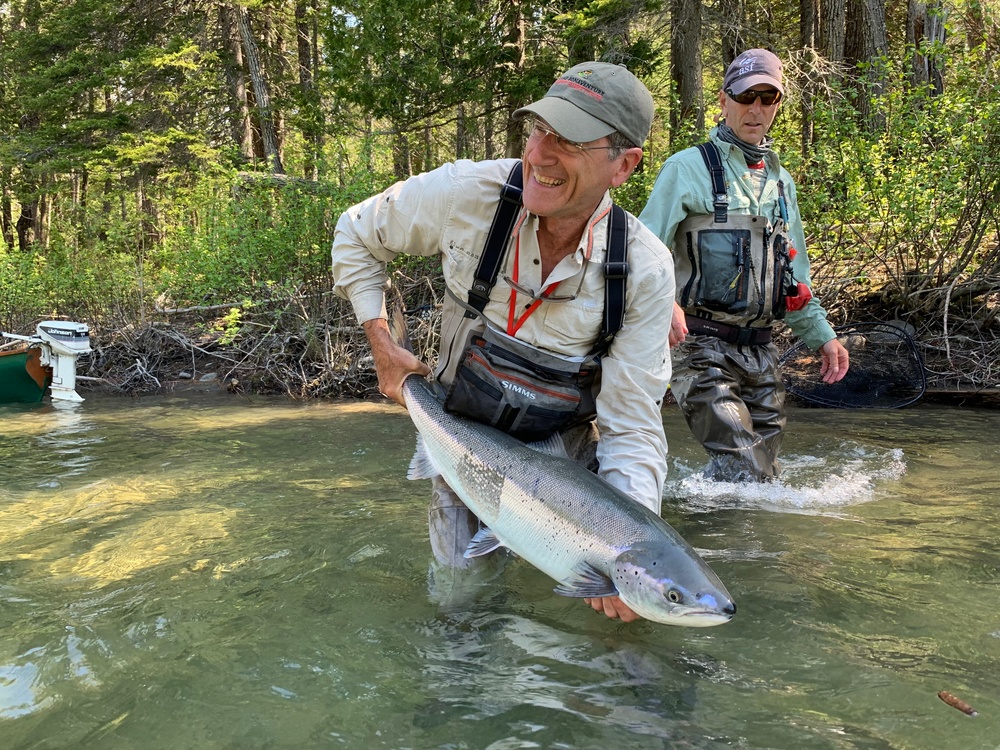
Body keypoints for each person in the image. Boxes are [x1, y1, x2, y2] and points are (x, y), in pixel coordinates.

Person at [332, 62, 675, 621]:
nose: (539, 154)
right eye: (538, 129)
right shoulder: (468, 193)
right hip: (463, 434)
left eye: (569, 140)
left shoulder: (645, 270)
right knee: (460, 605)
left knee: (635, 610)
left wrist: (632, 552)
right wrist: (382, 345)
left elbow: (632, 426)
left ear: (623, 164)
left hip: (566, 451)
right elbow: (355, 232)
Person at [639, 49, 850, 483]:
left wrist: (823, 337)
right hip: (699, 349)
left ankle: (715, 541)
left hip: (761, 352)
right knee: (748, 472)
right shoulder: (686, 168)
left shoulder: (781, 181)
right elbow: (643, 249)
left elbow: (796, 276)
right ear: (724, 100)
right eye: (745, 96)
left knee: (761, 478)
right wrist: (666, 306)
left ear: (777, 104)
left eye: (767, 98)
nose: (756, 109)